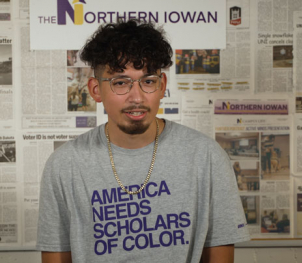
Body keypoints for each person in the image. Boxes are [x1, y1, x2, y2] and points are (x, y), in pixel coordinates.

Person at [37, 20, 249, 263]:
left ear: (162, 86)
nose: (136, 98)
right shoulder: (64, 165)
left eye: (148, 81)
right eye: (120, 83)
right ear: (96, 90)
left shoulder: (207, 157)